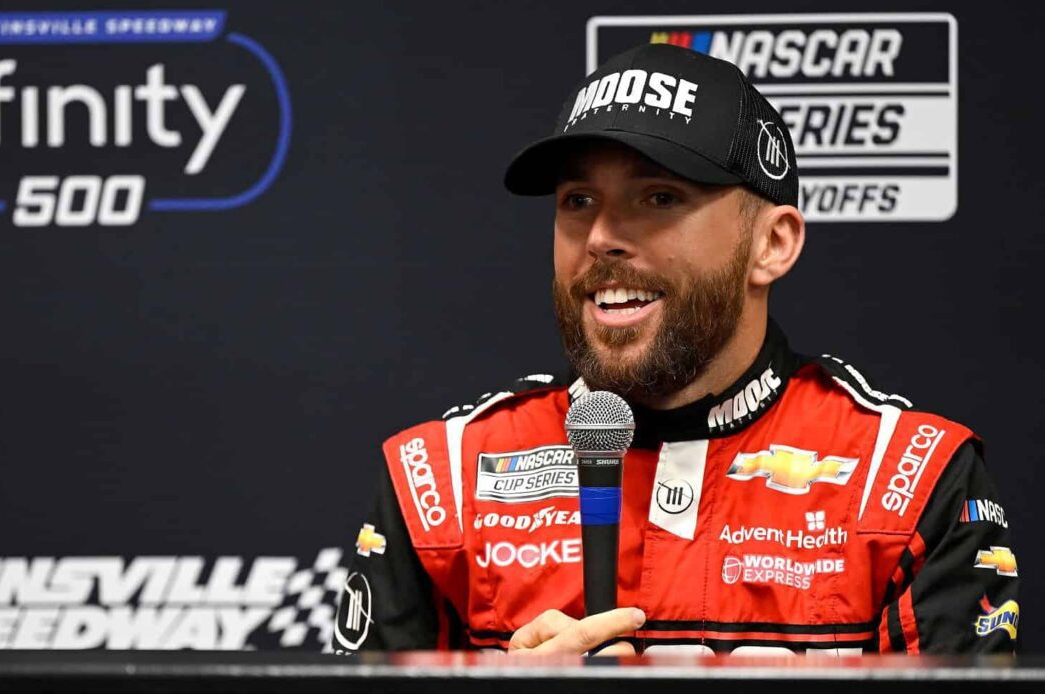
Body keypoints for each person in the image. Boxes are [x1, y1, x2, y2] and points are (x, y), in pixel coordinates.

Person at [332, 42, 1018, 656]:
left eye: (658, 196)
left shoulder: (909, 481)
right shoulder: (439, 481)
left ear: (771, 243)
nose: (601, 236)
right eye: (577, 201)